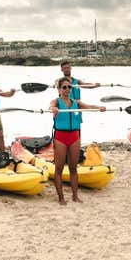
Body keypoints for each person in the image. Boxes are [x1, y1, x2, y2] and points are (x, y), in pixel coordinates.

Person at [50, 76, 106, 205]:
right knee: (59, 169)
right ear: (59, 89)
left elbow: (90, 106)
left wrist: (99, 108)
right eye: (64, 87)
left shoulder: (76, 102)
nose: (67, 89)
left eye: (69, 87)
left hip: (74, 137)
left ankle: (75, 196)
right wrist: (53, 109)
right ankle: (61, 198)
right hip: (60, 137)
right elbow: (51, 105)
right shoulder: (57, 102)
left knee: (73, 168)